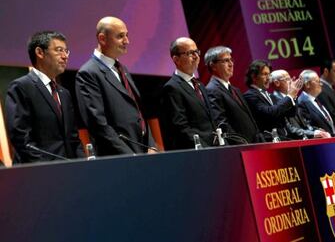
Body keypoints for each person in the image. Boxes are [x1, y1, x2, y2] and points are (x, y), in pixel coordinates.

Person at [76, 16, 155, 156]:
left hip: (142, 151)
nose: (127, 41)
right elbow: (98, 124)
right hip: (119, 157)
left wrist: (151, 146)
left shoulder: (122, 69)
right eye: (120, 36)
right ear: (102, 39)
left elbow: (139, 112)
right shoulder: (88, 73)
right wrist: (129, 155)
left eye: (126, 35)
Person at [5, 31, 83, 163]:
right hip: (39, 173)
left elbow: (73, 138)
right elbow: (22, 139)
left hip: (70, 171)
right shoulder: (21, 87)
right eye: (59, 50)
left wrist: (83, 163)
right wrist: (48, 169)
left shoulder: (65, 93)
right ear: (40, 52)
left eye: (66, 51)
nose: (65, 56)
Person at [160, 37, 216, 150]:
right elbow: (181, 127)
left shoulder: (200, 85)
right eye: (190, 53)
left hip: (215, 148)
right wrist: (204, 148)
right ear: (176, 59)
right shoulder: (172, 87)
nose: (196, 56)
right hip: (197, 151)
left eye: (196, 52)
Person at [205, 46, 263, 144]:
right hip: (240, 147)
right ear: (213, 65)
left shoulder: (235, 90)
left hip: (255, 143)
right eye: (226, 60)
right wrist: (241, 143)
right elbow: (222, 124)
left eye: (231, 60)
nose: (231, 64)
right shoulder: (212, 90)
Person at [243, 60, 299, 141]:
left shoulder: (270, 95)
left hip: (283, 138)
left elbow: (291, 113)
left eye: (269, 74)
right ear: (254, 77)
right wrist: (289, 96)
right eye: (265, 74)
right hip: (269, 140)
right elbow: (270, 113)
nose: (269, 78)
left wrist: (294, 95)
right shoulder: (250, 96)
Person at [271, 69, 331, 139]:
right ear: (277, 83)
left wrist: (315, 130)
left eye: (291, 78)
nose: (291, 81)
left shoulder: (292, 97)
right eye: (287, 79)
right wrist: (313, 133)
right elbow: (290, 129)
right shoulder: (276, 101)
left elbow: (304, 123)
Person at [297, 70, 335, 136]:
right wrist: (317, 131)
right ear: (307, 84)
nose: (321, 84)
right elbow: (307, 126)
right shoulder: (302, 102)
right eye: (317, 81)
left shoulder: (316, 99)